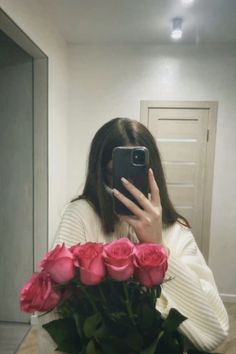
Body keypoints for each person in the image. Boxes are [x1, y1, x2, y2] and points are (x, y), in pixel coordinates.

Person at [38, 117, 229, 353]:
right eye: (114, 175)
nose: (126, 188)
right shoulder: (81, 215)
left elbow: (214, 333)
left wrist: (158, 247)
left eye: (135, 177)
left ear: (152, 175)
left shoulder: (176, 230)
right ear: (99, 174)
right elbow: (51, 317)